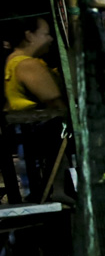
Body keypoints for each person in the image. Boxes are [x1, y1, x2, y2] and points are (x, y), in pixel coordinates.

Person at [2, 15, 73, 203]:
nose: (50, 39)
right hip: (36, 147)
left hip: (25, 143)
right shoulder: (27, 65)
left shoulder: (13, 61)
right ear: (29, 36)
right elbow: (55, 103)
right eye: (46, 34)